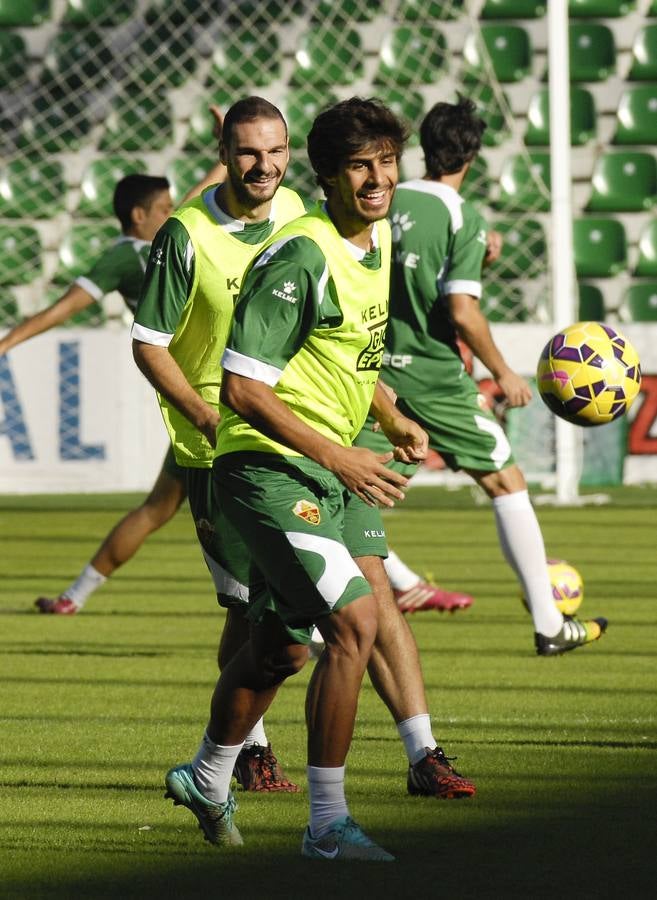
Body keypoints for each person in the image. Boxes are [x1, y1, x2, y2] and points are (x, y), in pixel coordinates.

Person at [161, 97, 475, 862]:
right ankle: (326, 826)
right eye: (358, 166)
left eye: (386, 162)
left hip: (328, 469)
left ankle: (207, 775)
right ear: (328, 176)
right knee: (357, 623)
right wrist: (338, 455)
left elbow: (345, 356)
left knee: (281, 649)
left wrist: (391, 413)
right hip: (267, 469)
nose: (376, 179)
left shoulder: (372, 241)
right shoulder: (302, 252)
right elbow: (241, 387)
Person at [354, 96, 608, 657]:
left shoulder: (381, 199)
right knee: (505, 483)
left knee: (351, 494)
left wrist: (473, 261)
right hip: (436, 377)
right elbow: (463, 311)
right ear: (472, 154)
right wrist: (505, 374)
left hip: (373, 375)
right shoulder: (461, 217)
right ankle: (549, 623)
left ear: (422, 146)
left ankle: (334, 618)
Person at [0, 105, 227, 617]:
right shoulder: (128, 255)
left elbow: (200, 195)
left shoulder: (176, 238)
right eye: (164, 207)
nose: (174, 210)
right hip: (203, 395)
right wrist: (5, 345)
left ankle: (72, 597)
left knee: (158, 508)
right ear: (139, 216)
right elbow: (59, 311)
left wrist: (224, 152)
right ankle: (322, 627)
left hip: (201, 393)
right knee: (264, 505)